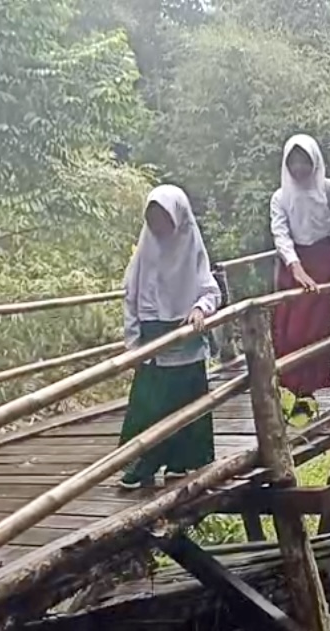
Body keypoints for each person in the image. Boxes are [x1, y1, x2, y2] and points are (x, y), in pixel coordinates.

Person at [118, 184, 221, 490]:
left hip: (186, 338)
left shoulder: (191, 245)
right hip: (153, 341)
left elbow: (209, 290)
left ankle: (182, 462)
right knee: (149, 405)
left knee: (187, 402)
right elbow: (131, 297)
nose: (158, 226)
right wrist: (133, 343)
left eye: (163, 218)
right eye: (152, 219)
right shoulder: (146, 249)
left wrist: (201, 309)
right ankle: (140, 466)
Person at [270, 134, 330, 424]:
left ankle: (307, 397)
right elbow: (281, 235)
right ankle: (285, 393)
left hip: (321, 262)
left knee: (313, 331)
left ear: (315, 161)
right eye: (293, 162)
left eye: (304, 161)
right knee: (287, 330)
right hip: (293, 267)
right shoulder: (280, 197)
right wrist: (296, 268)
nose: (299, 168)